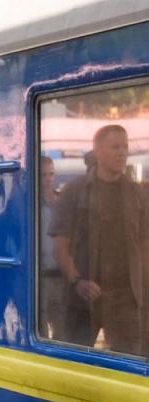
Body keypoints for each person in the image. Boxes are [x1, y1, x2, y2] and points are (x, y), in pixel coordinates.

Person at [50, 124, 148, 356]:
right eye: (115, 147)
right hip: (82, 298)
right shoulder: (75, 191)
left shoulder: (137, 193)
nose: (122, 153)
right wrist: (77, 281)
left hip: (126, 298)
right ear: (98, 151)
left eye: (125, 147)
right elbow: (60, 245)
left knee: (130, 366)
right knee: (72, 362)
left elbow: (144, 244)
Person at [38, 155, 62, 340]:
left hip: (62, 276)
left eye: (51, 174)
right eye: (43, 174)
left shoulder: (62, 202)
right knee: (41, 330)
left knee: (62, 328)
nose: (47, 179)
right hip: (42, 277)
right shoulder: (32, 204)